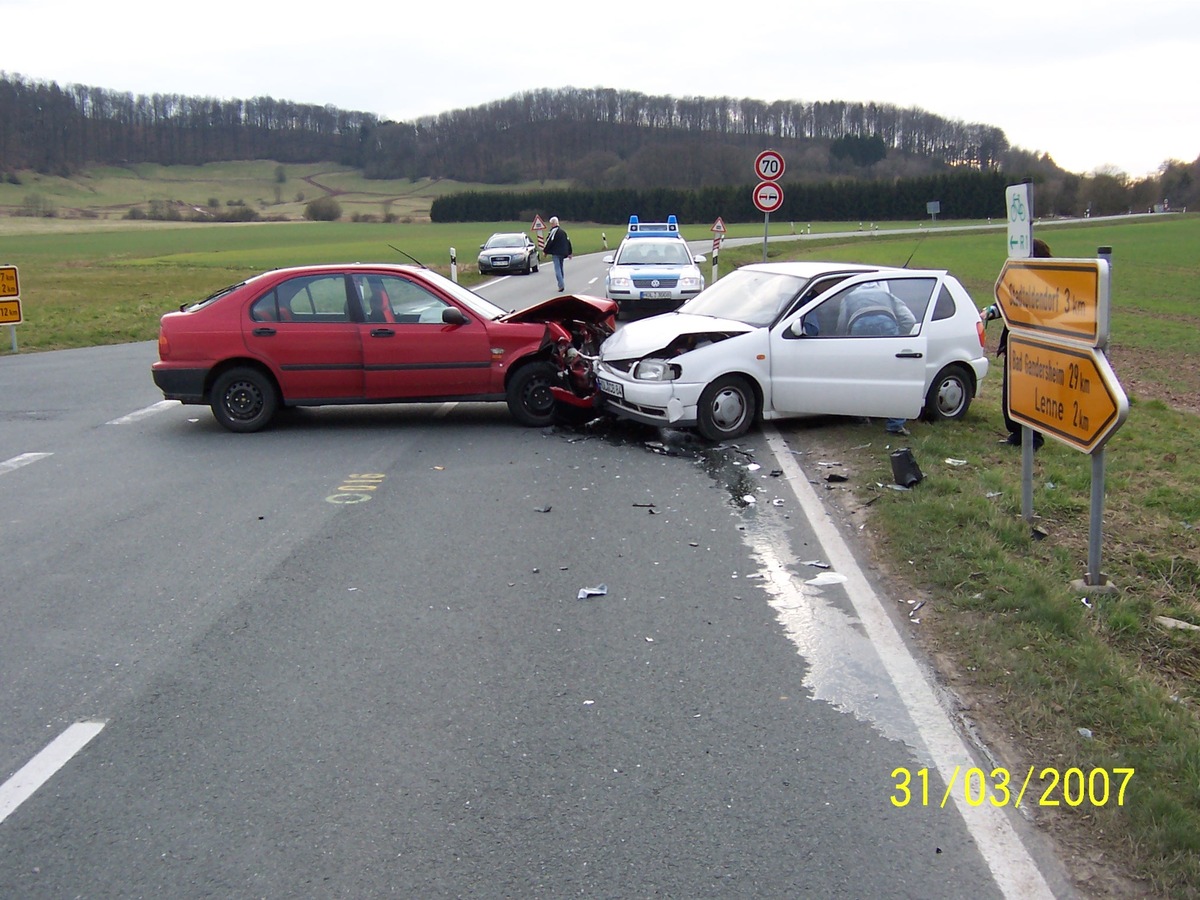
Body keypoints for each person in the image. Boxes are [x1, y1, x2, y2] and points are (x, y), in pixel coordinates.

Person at [982, 238, 1051, 449]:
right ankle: (1017, 434)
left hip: (1034, 348)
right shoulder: (1020, 281)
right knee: (1012, 392)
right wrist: (988, 312)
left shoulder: (1046, 285)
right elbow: (1006, 301)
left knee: (1030, 392)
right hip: (1014, 345)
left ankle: (1033, 437)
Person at [837, 286, 918, 436]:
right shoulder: (887, 295)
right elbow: (909, 319)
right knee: (895, 378)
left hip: (858, 327)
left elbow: (842, 324)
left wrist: (843, 342)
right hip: (887, 325)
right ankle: (895, 425)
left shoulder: (849, 297)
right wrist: (899, 336)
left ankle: (860, 416)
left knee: (860, 375)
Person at [542, 216, 572, 292]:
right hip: (563, 253)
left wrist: (545, 251)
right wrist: (569, 252)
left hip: (556, 253)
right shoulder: (563, 232)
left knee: (557, 269)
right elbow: (568, 242)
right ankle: (561, 282)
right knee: (561, 268)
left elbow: (549, 242)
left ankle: (561, 285)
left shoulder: (553, 231)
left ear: (552, 224)